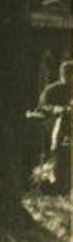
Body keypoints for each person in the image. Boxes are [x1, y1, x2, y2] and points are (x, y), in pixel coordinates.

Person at [38, 61, 72, 193]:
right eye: (65, 74)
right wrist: (56, 109)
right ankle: (57, 180)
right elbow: (42, 106)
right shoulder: (52, 89)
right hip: (54, 123)